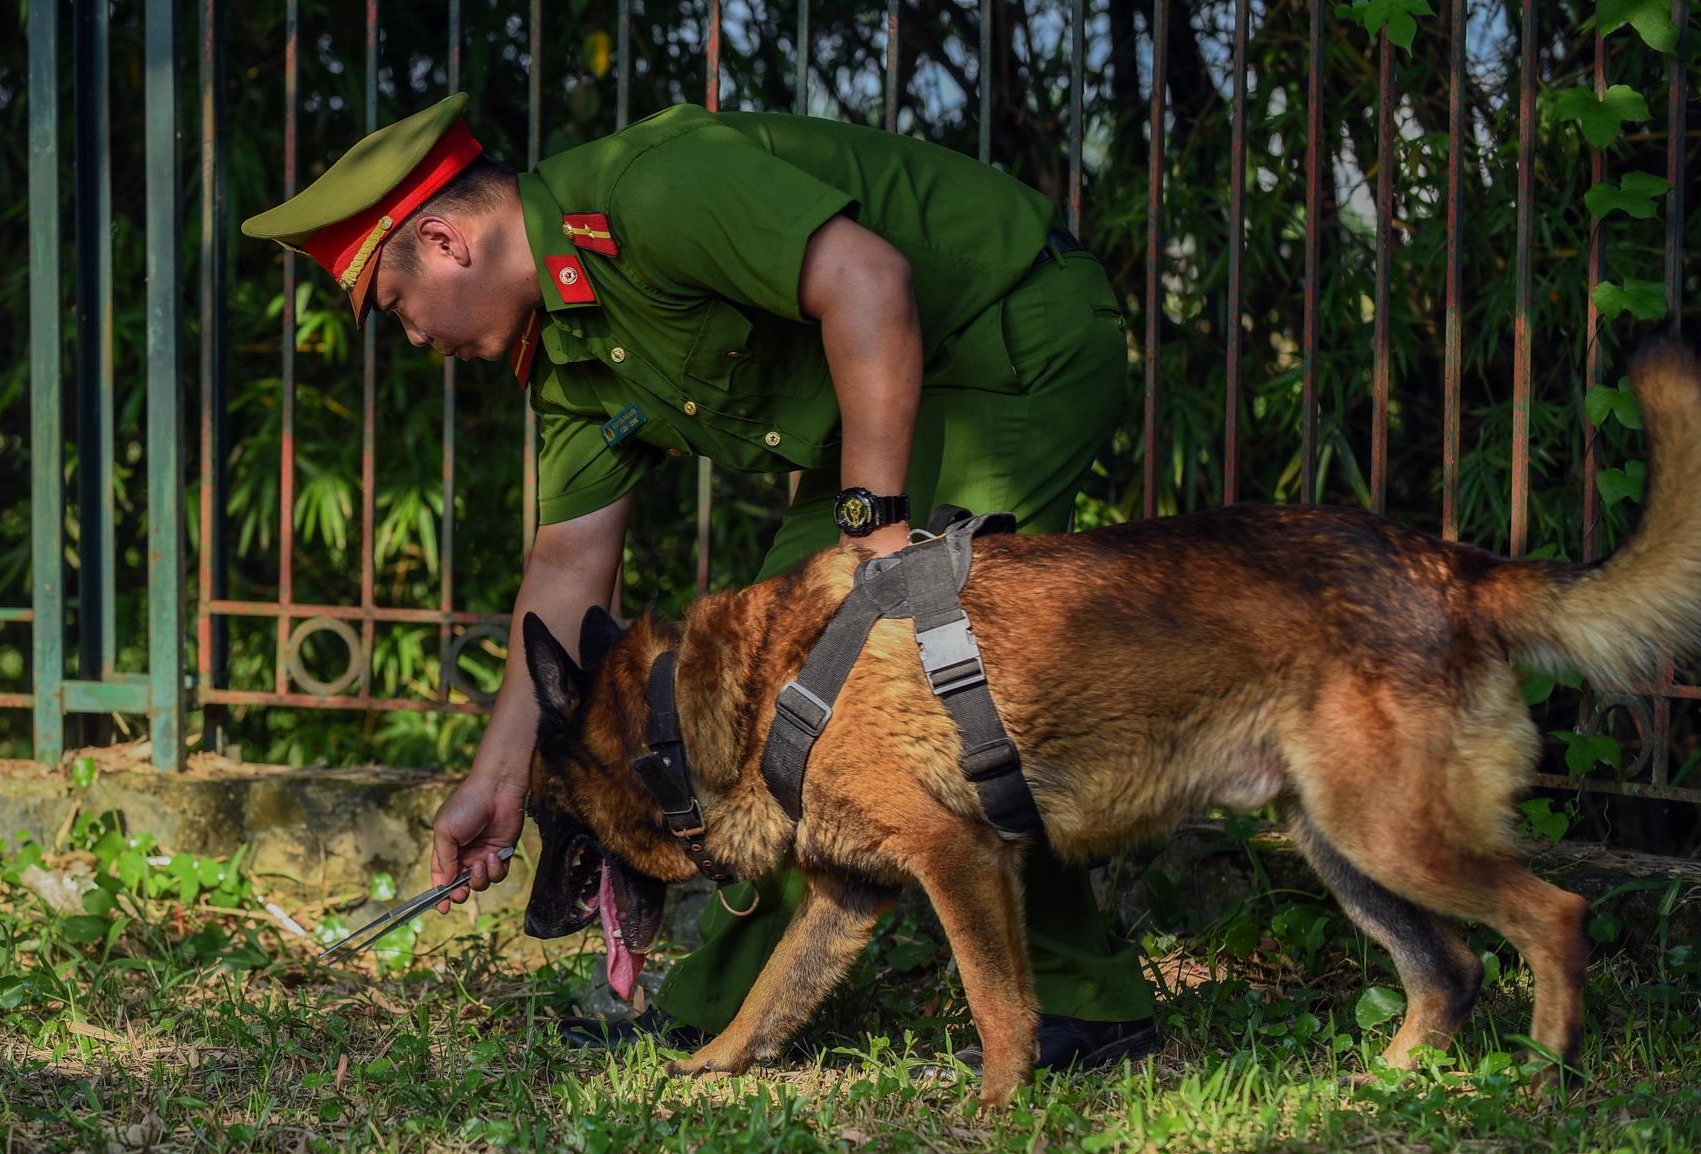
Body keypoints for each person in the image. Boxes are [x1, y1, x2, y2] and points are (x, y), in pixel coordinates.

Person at [242, 92, 1158, 1071]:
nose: (415, 341)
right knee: (754, 705)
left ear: (442, 241)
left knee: (920, 683)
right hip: (894, 399)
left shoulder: (651, 189)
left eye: (397, 309)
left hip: (1010, 336)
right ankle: (720, 1007)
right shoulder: (569, 355)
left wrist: (873, 530)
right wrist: (500, 779)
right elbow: (567, 565)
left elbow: (868, 280)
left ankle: (1083, 1007)